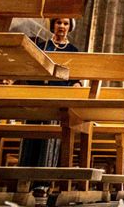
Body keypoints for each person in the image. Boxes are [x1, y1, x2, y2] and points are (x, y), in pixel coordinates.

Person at [19, 18, 80, 169]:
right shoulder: (41, 46)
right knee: (31, 136)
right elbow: (31, 71)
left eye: (66, 23)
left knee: (50, 139)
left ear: (70, 27)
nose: (62, 26)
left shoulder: (73, 51)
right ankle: (24, 178)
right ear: (53, 25)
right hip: (38, 96)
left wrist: (76, 85)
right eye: (59, 22)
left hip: (58, 99)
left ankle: (43, 182)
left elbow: (75, 78)